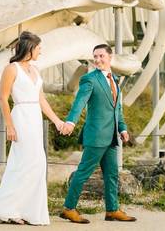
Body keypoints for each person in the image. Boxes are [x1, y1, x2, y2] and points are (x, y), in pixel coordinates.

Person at [0, 31, 65, 225]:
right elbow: (3, 98)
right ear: (30, 48)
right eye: (39, 48)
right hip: (21, 118)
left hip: (35, 117)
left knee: (38, 164)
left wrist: (57, 121)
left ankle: (27, 210)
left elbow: (41, 99)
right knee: (23, 164)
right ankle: (9, 210)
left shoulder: (35, 70)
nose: (40, 52)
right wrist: (10, 126)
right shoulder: (11, 68)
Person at [59, 44, 137, 224]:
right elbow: (79, 102)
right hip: (95, 136)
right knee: (83, 173)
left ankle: (112, 210)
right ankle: (68, 208)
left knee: (112, 174)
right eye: (95, 56)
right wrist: (71, 121)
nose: (98, 60)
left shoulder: (115, 80)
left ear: (110, 57)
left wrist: (123, 129)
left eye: (101, 56)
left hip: (111, 137)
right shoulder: (89, 79)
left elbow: (117, 109)